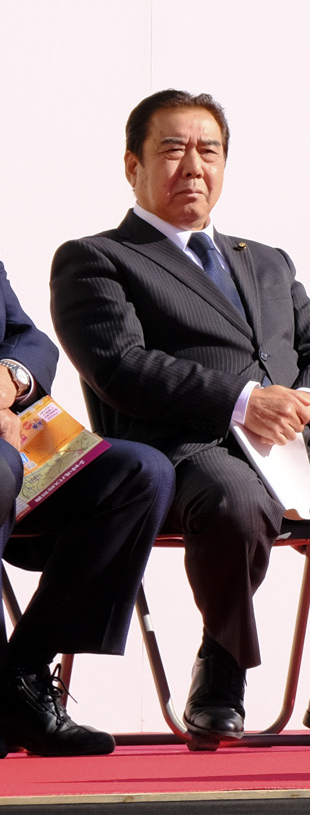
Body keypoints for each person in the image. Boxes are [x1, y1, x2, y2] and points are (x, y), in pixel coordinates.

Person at [51, 90, 310, 752]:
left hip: (300, 448)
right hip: (190, 449)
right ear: (132, 165)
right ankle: (222, 662)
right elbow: (122, 365)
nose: (194, 165)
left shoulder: (265, 259)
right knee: (236, 498)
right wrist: (244, 401)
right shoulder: (97, 258)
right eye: (173, 149)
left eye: (209, 151)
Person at [0, 267, 174, 757]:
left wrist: (11, 378)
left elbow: (24, 334)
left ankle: (23, 677)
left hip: (14, 437)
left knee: (140, 472)